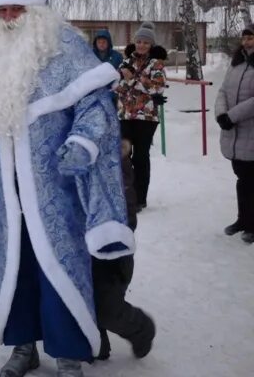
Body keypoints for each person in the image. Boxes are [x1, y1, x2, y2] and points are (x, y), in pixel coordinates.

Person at [0, 0, 133, 377]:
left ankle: (68, 354)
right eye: (2, 10)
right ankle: (23, 348)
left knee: (59, 266)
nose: (9, 18)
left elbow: (95, 104)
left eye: (17, 10)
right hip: (2, 191)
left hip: (55, 187)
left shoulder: (68, 50)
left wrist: (84, 140)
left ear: (37, 13)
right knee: (13, 268)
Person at [93, 139, 156, 360]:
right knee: (83, 297)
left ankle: (141, 328)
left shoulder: (111, 154)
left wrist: (118, 234)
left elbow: (125, 199)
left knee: (106, 306)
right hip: (78, 241)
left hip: (110, 244)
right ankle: (96, 340)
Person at [116, 22, 167, 211]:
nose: (142, 45)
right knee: (123, 156)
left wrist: (133, 79)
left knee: (140, 157)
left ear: (151, 45)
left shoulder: (156, 64)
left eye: (146, 42)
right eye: (139, 41)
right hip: (125, 115)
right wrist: (122, 84)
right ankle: (125, 194)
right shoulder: (126, 61)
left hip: (146, 118)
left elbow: (158, 87)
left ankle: (140, 198)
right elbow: (119, 86)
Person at [216, 24, 254, 244]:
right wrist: (222, 114)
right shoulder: (237, 62)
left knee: (252, 179)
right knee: (242, 178)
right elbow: (223, 90)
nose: (247, 42)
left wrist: (233, 115)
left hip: (249, 129)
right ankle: (242, 220)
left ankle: (252, 225)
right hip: (235, 132)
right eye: (245, 38)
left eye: (251, 38)